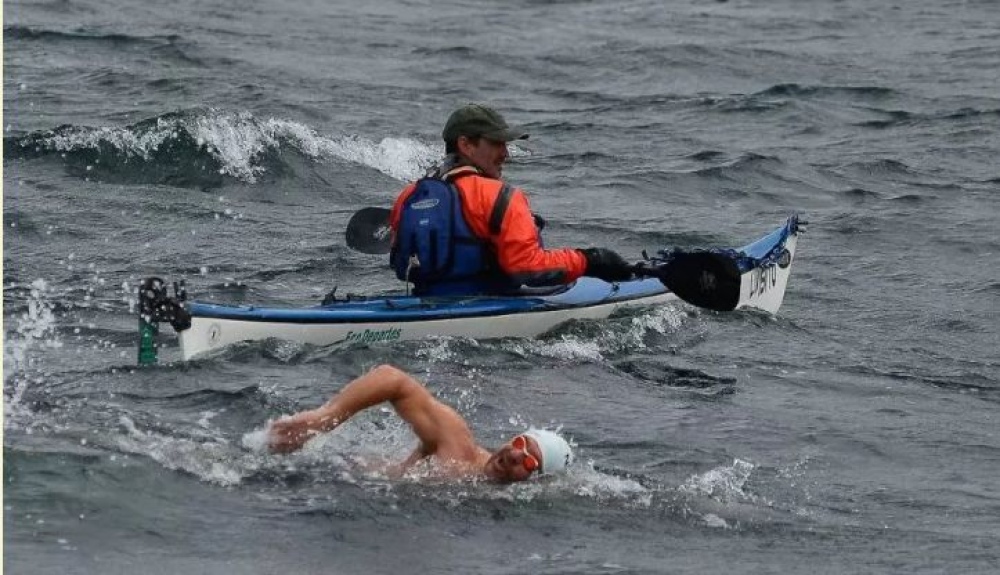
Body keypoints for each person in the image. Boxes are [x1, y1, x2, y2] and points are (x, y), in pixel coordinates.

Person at [389, 103, 634, 296]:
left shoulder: (408, 196)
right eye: (496, 143)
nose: (505, 153)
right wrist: (589, 260)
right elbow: (527, 267)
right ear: (465, 145)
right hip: (491, 310)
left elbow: (400, 267)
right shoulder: (502, 196)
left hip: (425, 306)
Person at [267, 364, 574, 483]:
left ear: (536, 481)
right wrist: (323, 420)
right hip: (327, 472)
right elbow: (393, 379)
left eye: (531, 460)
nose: (517, 454)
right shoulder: (457, 445)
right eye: (521, 443)